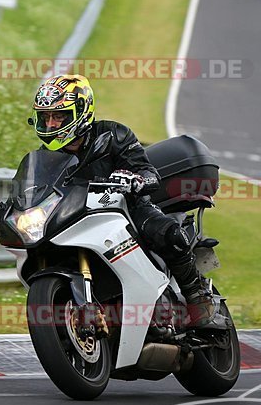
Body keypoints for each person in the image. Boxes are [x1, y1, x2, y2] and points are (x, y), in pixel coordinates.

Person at [28, 74, 215, 328]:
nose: (50, 124)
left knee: (167, 233)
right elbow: (36, 192)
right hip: (79, 218)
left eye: (59, 116)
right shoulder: (46, 158)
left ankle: (196, 295)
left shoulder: (113, 134)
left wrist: (135, 181)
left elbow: (150, 174)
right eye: (45, 117)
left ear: (81, 111)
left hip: (128, 208)